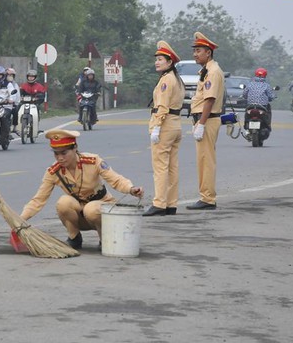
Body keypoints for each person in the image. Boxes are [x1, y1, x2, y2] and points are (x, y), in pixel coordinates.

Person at [20, 129, 144, 249]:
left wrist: (131, 188)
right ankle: (74, 238)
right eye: (56, 153)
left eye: (64, 153)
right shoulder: (54, 172)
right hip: (80, 215)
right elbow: (38, 200)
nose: (60, 158)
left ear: (75, 148)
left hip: (102, 212)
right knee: (63, 203)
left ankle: (105, 239)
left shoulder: (93, 161)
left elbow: (115, 179)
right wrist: (20, 220)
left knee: (91, 209)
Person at [143, 41, 185, 217]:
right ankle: (171, 203)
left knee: (160, 167)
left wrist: (157, 127)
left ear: (169, 62)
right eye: (156, 59)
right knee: (172, 167)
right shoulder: (175, 78)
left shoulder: (166, 81)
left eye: (161, 59)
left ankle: (159, 203)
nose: (157, 62)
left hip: (165, 125)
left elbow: (162, 106)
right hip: (175, 124)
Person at [187, 31, 225, 211]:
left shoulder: (213, 71)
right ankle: (205, 196)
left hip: (207, 120)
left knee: (206, 160)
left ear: (208, 52)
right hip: (203, 119)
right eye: (194, 51)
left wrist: (201, 124)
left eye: (198, 50)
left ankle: (208, 198)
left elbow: (209, 99)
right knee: (202, 160)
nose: (195, 54)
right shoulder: (207, 69)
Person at [6, 68, 21, 133]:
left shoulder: (15, 85)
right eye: (8, 75)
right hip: (0, 104)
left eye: (11, 75)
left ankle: (14, 126)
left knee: (15, 111)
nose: (10, 77)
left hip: (11, 104)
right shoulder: (2, 83)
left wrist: (14, 102)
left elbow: (17, 95)